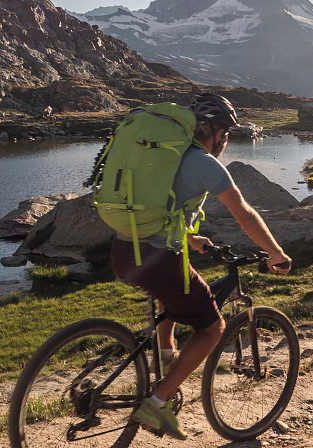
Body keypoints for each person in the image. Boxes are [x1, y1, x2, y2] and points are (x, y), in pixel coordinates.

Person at [110, 92, 293, 440]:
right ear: (214, 130)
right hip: (156, 259)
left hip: (124, 249)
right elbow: (243, 212)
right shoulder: (203, 162)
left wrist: (191, 239)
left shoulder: (163, 153)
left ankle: (165, 364)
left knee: (174, 300)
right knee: (211, 328)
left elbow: (161, 203)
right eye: (224, 133)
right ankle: (157, 403)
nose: (224, 140)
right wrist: (275, 251)